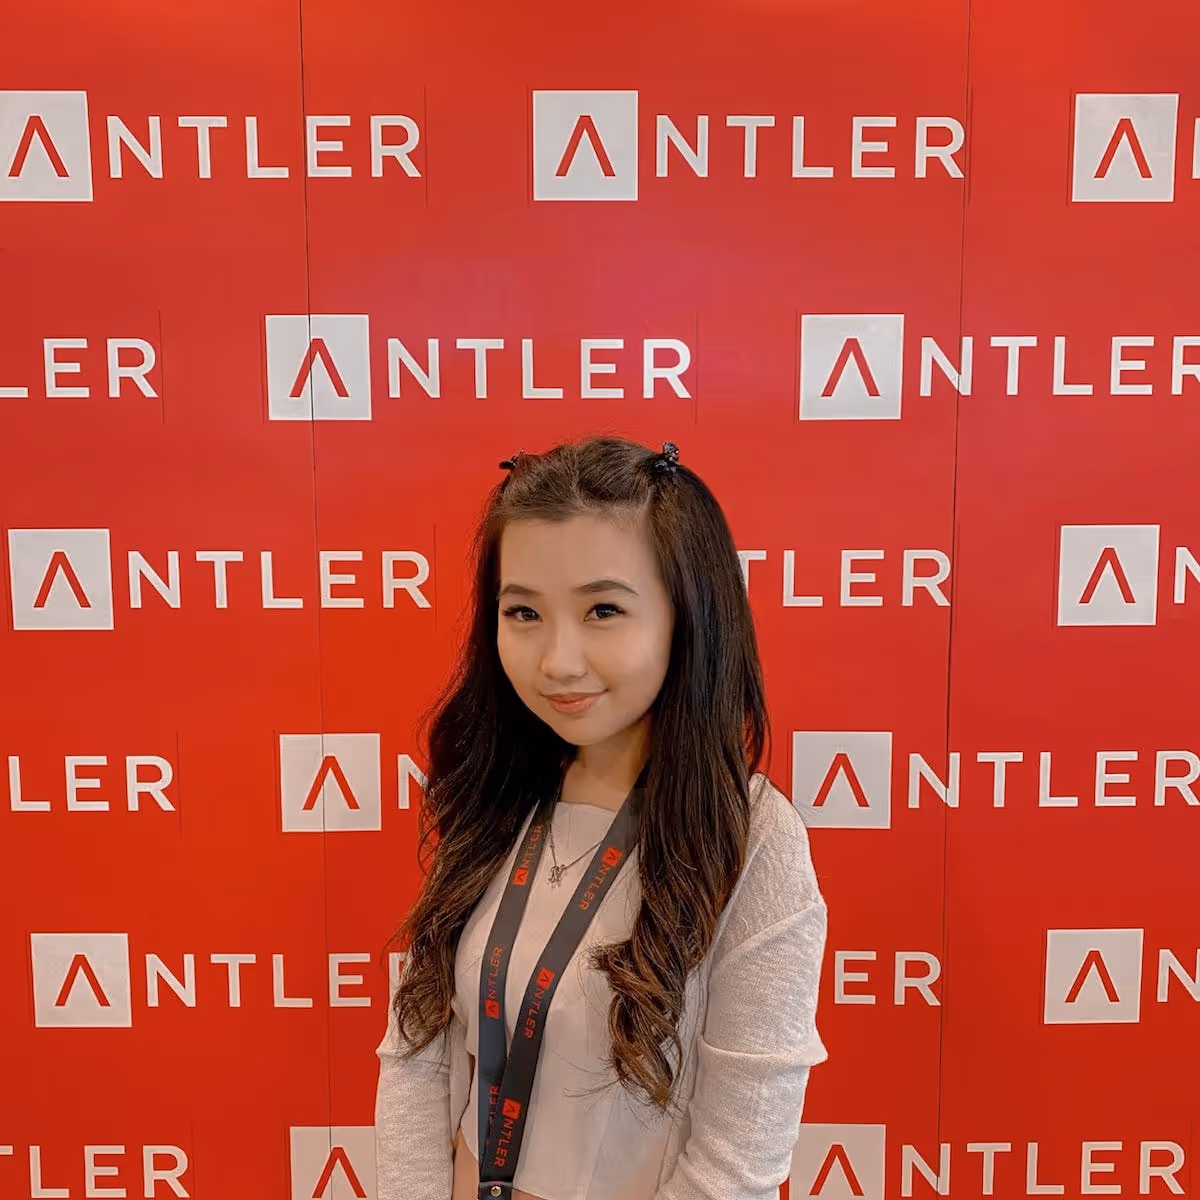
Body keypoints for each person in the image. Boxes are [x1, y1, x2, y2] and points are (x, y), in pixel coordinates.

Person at [374, 435, 828, 1200]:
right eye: (523, 611)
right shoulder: (497, 796)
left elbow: (739, 1160)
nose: (558, 659)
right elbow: (419, 1047)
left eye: (603, 610)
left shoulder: (750, 840)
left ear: (687, 615)